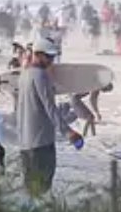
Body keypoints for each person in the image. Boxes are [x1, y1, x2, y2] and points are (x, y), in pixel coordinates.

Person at [15, 36, 81, 196]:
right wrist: (68, 132)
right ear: (38, 54)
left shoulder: (24, 75)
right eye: (49, 56)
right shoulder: (40, 75)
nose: (51, 60)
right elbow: (50, 108)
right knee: (42, 189)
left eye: (53, 56)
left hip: (25, 143)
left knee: (30, 190)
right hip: (41, 143)